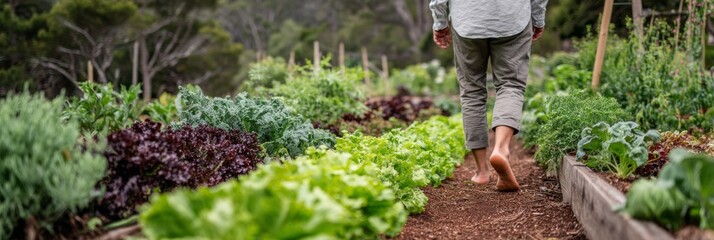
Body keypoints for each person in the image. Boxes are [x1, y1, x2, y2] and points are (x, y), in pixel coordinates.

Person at [429, 0, 548, 191]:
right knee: (511, 84)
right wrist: (538, 16)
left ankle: (482, 171)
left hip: (468, 19)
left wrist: (440, 21)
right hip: (513, 17)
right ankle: (501, 149)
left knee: (471, 91)